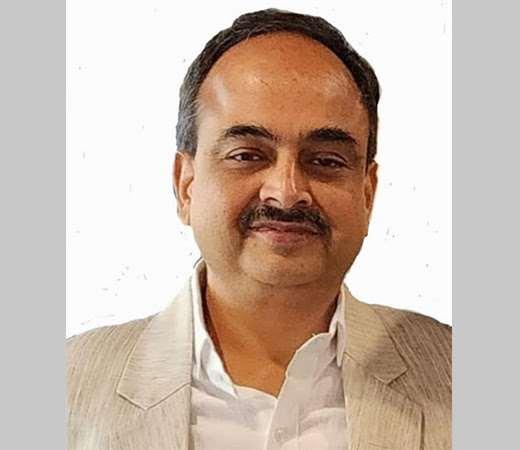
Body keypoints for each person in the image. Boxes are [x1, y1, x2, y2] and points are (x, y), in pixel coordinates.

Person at [67, 8, 451, 450]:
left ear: (367, 192)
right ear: (185, 185)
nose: (286, 193)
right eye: (247, 155)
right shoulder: (63, 388)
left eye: (325, 161)